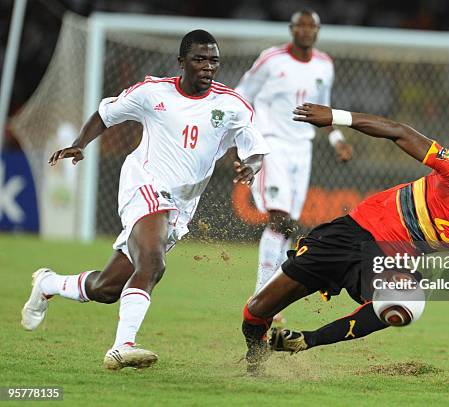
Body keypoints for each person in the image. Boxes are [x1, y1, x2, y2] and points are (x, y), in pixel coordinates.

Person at [241, 103, 449, 394]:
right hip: (350, 233)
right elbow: (399, 132)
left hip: (386, 259)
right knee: (257, 311)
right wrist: (336, 117)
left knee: (406, 303)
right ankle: (256, 359)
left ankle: (308, 339)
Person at [20, 30, 269, 370]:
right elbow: (107, 114)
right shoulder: (153, 92)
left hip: (181, 205)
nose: (207, 66)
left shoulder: (233, 105)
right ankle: (122, 346)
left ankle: (48, 283)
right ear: (182, 61)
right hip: (145, 183)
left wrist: (250, 168)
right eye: (199, 59)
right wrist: (81, 142)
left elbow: (254, 149)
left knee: (107, 288)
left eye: (213, 60)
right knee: (152, 264)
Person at [235, 9, 353, 317]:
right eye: (300, 25)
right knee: (280, 219)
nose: (305, 30)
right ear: (291, 29)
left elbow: (322, 110)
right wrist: (241, 140)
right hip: (270, 143)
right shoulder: (271, 59)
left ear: (317, 30)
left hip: (303, 149)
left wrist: (336, 139)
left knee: (287, 227)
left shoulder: (325, 65)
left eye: (311, 26)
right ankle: (262, 294)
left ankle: (267, 295)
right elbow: (241, 95)